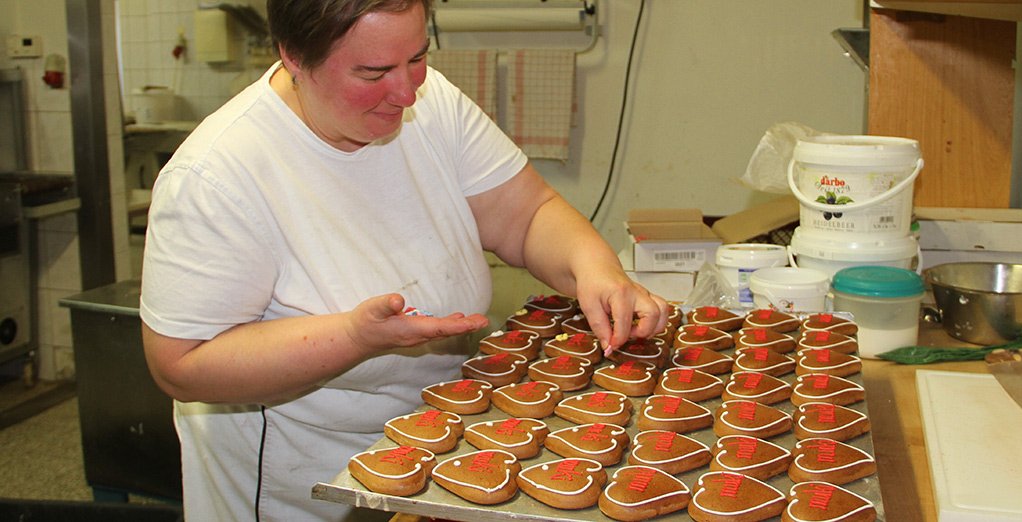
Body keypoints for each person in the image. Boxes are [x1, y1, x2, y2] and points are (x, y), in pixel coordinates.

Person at [139, 0, 667, 520]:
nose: (406, 90)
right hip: (304, 470)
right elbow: (183, 364)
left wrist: (595, 266)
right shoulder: (216, 176)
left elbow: (526, 214)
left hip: (442, 431)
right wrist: (354, 336)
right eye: (373, 73)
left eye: (417, 57)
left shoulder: (431, 101)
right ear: (294, 57)